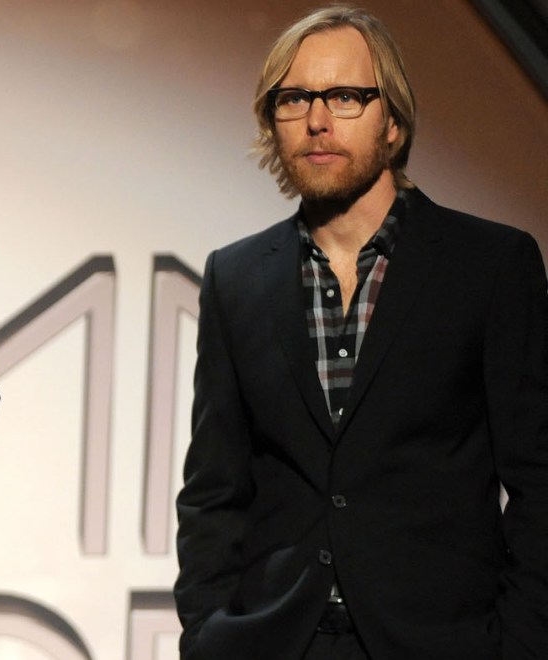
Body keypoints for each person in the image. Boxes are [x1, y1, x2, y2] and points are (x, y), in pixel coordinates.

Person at [174, 5, 548, 659]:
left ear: (394, 121)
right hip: (276, 641)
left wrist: (519, 643)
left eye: (345, 95)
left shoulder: (490, 265)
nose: (317, 119)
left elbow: (541, 478)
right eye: (293, 99)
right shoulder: (235, 277)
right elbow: (214, 488)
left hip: (443, 643)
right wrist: (208, 635)